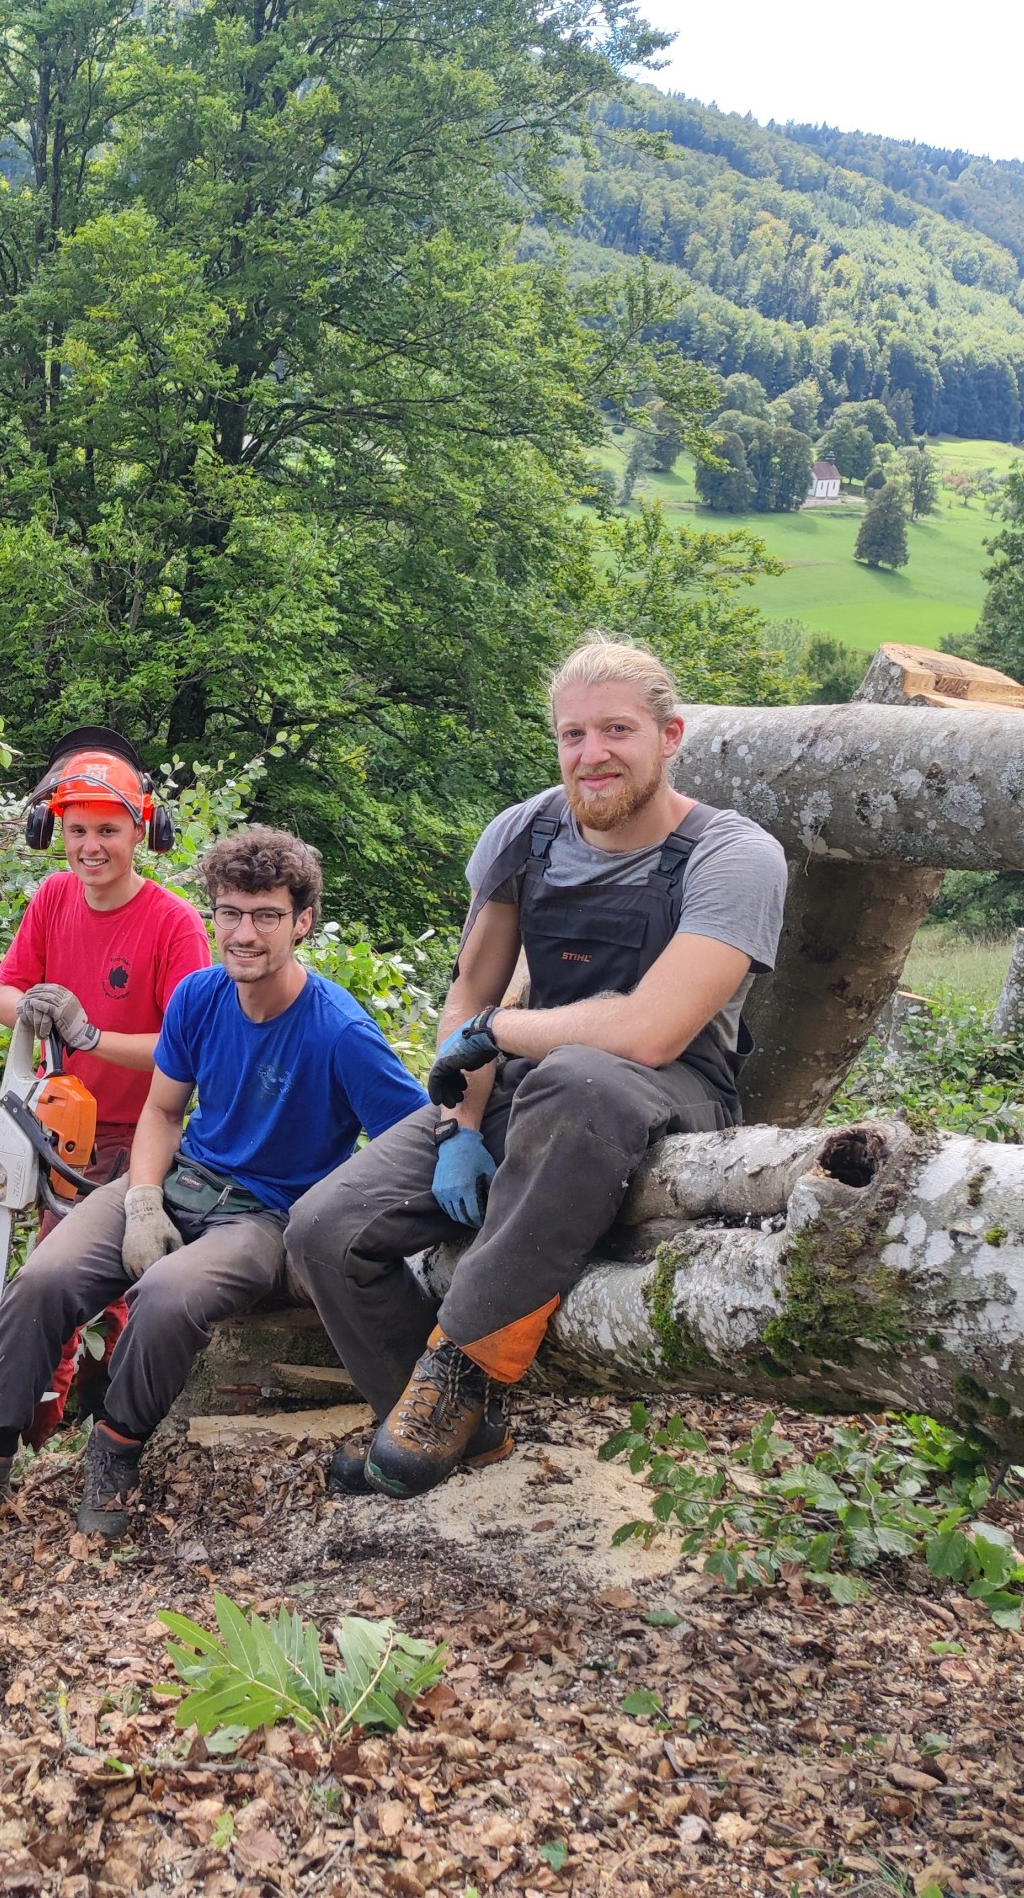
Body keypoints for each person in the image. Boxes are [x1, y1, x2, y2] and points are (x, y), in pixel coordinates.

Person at [287, 636, 787, 1499]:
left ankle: (463, 1368)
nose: (591, 756)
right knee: (324, 1231)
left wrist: (499, 1031)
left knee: (580, 1075)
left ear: (671, 737)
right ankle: (450, 1429)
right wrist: (463, 1125)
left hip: (669, 1091)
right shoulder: (526, 835)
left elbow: (652, 1031)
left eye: (618, 731)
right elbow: (468, 999)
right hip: (531, 1082)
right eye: (571, 736)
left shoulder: (733, 856)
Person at [0, 826, 426, 1551]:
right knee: (44, 1278)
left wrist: (360, 1217)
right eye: (230, 913)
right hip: (180, 1181)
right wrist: (143, 1200)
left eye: (266, 915)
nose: (244, 932)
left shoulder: (339, 1031)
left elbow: (414, 1134)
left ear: (302, 921)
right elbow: (164, 1109)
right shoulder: (201, 998)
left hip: (265, 1217)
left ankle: (115, 1447)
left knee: (168, 1296)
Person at [0, 729, 210, 1435]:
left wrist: (90, 1037)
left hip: (142, 1134)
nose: (90, 846)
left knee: (111, 1286)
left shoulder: (173, 924)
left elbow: (190, 1050)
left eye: (107, 830)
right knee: (49, 1283)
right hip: (61, 1127)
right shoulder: (54, 899)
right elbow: (0, 995)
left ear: (142, 829)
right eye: (77, 829)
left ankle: (102, 1419)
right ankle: (35, 1428)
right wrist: (33, 1008)